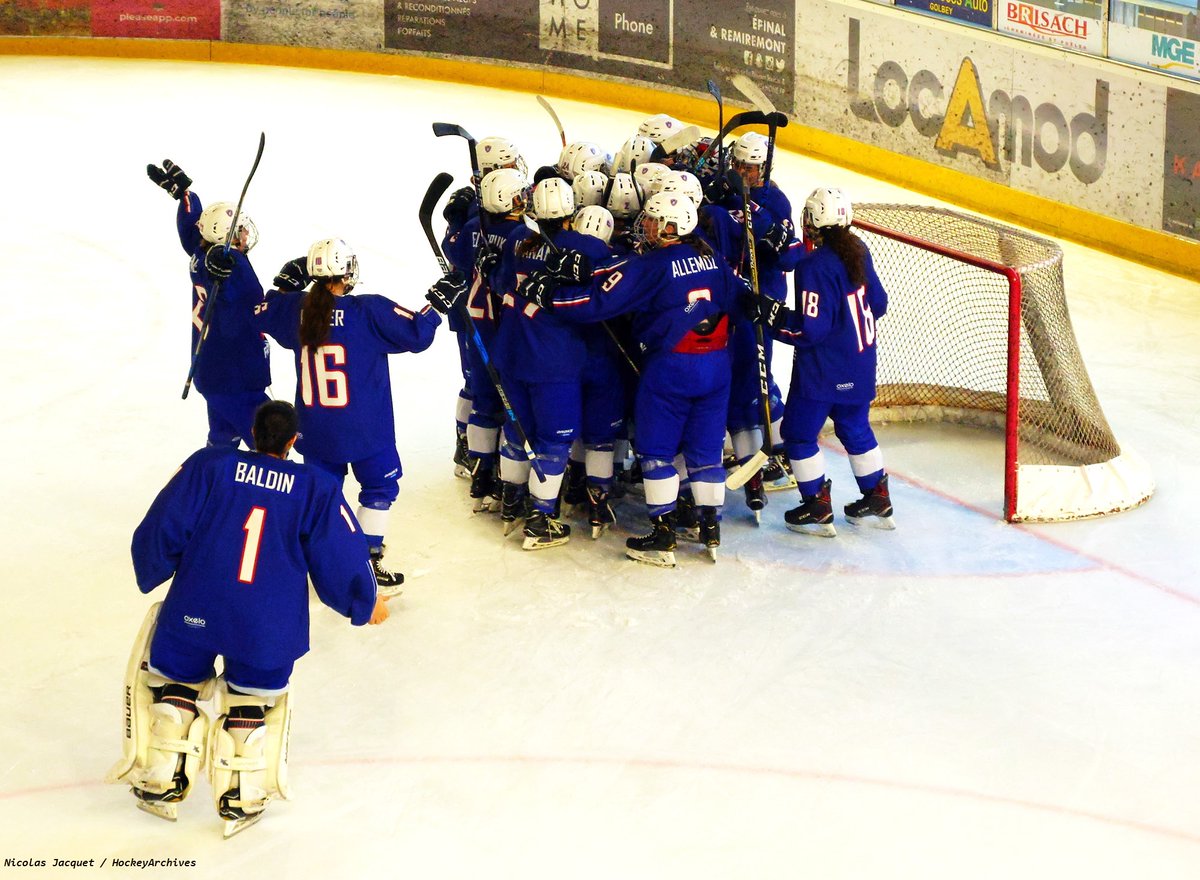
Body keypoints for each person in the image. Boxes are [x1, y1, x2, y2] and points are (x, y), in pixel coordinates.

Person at [108, 400, 389, 838]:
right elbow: (339, 550)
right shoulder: (315, 486)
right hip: (267, 623)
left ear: (252, 433)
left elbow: (166, 522)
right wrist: (363, 600)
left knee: (175, 686)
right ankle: (239, 795)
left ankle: (162, 779)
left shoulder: (210, 465)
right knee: (251, 702)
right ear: (294, 442)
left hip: (196, 605)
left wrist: (152, 564)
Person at [523, 192, 751, 566]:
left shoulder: (655, 265)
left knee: (657, 450)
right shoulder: (711, 256)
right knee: (705, 450)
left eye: (653, 220)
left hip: (671, 369)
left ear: (669, 227)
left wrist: (552, 296)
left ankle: (663, 536)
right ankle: (709, 526)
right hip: (716, 365)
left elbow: (597, 303)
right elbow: (739, 296)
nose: (646, 226)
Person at [252, 238, 461, 591]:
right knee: (379, 488)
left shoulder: (295, 309)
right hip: (366, 430)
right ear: (346, 272)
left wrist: (284, 287)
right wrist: (437, 304)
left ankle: (318, 563)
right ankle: (367, 560)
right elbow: (417, 335)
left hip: (315, 430)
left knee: (322, 497)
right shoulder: (368, 311)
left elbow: (263, 310)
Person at [746, 187, 895, 536]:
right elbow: (880, 303)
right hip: (860, 364)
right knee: (855, 428)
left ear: (813, 220)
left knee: (798, 435)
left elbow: (812, 331)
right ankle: (877, 497)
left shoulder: (812, 266)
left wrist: (775, 318)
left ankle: (816, 505)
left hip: (823, 373)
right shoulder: (858, 249)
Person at [146, 159, 271, 449]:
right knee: (272, 447)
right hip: (236, 376)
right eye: (239, 229)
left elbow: (193, 228)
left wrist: (186, 196)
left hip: (211, 370)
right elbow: (255, 309)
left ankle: (215, 489)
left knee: (222, 442)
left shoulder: (201, 253)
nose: (245, 234)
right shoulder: (233, 266)